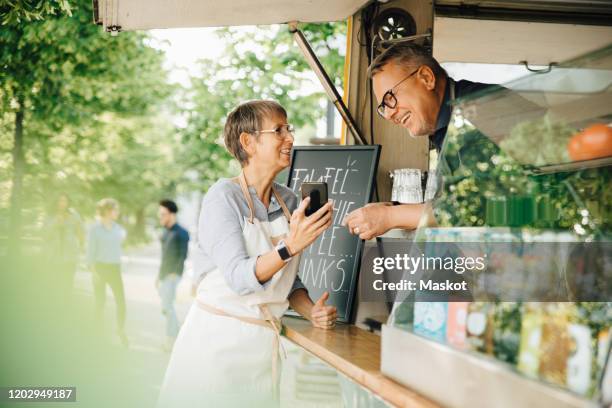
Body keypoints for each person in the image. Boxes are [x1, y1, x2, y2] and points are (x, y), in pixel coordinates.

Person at [157, 100, 337, 407]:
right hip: (214, 350)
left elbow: (285, 280)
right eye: (279, 130)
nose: (290, 138)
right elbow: (240, 278)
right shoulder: (222, 198)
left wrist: (311, 311)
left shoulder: (290, 201)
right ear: (248, 142)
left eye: (289, 128)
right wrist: (290, 245)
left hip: (261, 354)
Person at [343, 42, 498, 239]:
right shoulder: (446, 127)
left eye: (390, 98)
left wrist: (390, 216)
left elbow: (475, 205)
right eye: (383, 107)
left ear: (426, 78)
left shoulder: (480, 109)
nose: (389, 114)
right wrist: (393, 209)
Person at [87, 198, 128, 346]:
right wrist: (94, 272)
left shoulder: (119, 229)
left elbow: (120, 245)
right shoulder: (94, 229)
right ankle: (97, 333)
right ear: (107, 211)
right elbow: (90, 253)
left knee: (121, 301)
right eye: (115, 209)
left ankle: (120, 330)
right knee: (100, 302)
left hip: (114, 268)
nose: (117, 212)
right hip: (99, 268)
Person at [156, 199, 189, 351]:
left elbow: (182, 256)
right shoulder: (166, 232)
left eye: (163, 214)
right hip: (163, 276)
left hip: (172, 276)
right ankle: (179, 337)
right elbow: (164, 257)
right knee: (166, 308)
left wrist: (172, 275)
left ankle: (171, 341)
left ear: (172, 214)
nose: (160, 217)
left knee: (167, 308)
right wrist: (159, 276)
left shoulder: (181, 233)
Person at [44, 193, 83, 299]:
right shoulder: (49, 216)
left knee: (67, 285)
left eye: (64, 201)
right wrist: (56, 223)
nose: (62, 203)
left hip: (69, 256)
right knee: (54, 285)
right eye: (60, 200)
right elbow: (45, 236)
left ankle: (65, 308)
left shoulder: (74, 215)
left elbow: (80, 233)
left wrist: (81, 248)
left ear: (68, 202)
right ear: (56, 202)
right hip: (53, 256)